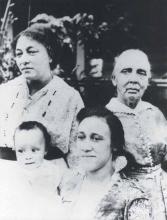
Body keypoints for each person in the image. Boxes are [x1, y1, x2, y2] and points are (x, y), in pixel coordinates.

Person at [0, 23, 84, 166]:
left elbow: (77, 154)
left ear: (50, 55)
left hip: (50, 176)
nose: (24, 60)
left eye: (31, 52)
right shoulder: (5, 91)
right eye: (19, 54)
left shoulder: (70, 97)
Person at [59, 107, 152, 220]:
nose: (86, 147)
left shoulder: (134, 196)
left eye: (96, 139)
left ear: (114, 145)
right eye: (81, 137)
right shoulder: (66, 185)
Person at [106, 49, 167, 219]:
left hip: (161, 192)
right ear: (114, 79)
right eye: (126, 71)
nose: (133, 79)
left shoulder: (155, 113)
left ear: (147, 81)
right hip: (124, 196)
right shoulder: (104, 117)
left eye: (141, 73)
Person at [0, 121, 66, 220]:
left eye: (34, 150)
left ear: (45, 150)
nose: (28, 157)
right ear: (15, 149)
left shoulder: (52, 169)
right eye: (21, 151)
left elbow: (66, 188)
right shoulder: (12, 171)